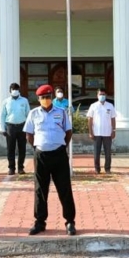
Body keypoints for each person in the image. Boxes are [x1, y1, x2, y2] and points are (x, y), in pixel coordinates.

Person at [23, 84, 77, 236]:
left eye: (48, 97)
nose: (45, 100)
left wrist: (60, 145)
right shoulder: (33, 114)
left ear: (51, 97)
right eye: (42, 98)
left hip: (59, 155)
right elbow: (29, 135)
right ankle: (40, 222)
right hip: (41, 156)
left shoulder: (61, 112)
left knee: (64, 188)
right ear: (38, 99)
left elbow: (68, 132)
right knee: (40, 190)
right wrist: (38, 147)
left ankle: (70, 221)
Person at [0, 83, 31, 175]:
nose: (14, 90)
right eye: (13, 89)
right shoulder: (6, 101)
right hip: (10, 127)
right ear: (10, 90)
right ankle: (11, 168)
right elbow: (3, 116)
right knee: (10, 149)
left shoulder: (24, 101)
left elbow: (28, 115)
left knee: (22, 148)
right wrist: (3, 129)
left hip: (22, 126)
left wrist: (28, 128)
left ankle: (21, 168)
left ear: (19, 90)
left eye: (16, 89)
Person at [86, 87, 116, 174]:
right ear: (97, 95)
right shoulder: (93, 106)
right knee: (96, 152)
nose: (102, 96)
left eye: (103, 94)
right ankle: (97, 169)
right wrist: (90, 132)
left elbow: (113, 118)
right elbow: (90, 119)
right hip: (96, 133)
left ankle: (107, 169)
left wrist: (113, 130)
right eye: (100, 94)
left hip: (107, 133)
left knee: (108, 152)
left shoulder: (110, 106)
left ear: (106, 95)